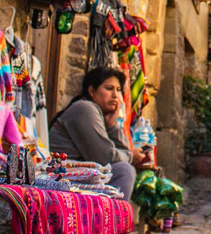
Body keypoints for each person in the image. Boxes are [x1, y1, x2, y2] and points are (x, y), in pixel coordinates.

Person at [49, 66, 149, 200]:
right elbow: (106, 158)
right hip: (61, 176)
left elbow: (121, 151)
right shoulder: (85, 108)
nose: (115, 95)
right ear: (91, 91)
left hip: (79, 175)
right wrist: (131, 156)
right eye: (109, 89)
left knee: (125, 168)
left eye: (118, 90)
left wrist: (112, 125)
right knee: (124, 171)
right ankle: (112, 220)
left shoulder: (98, 114)